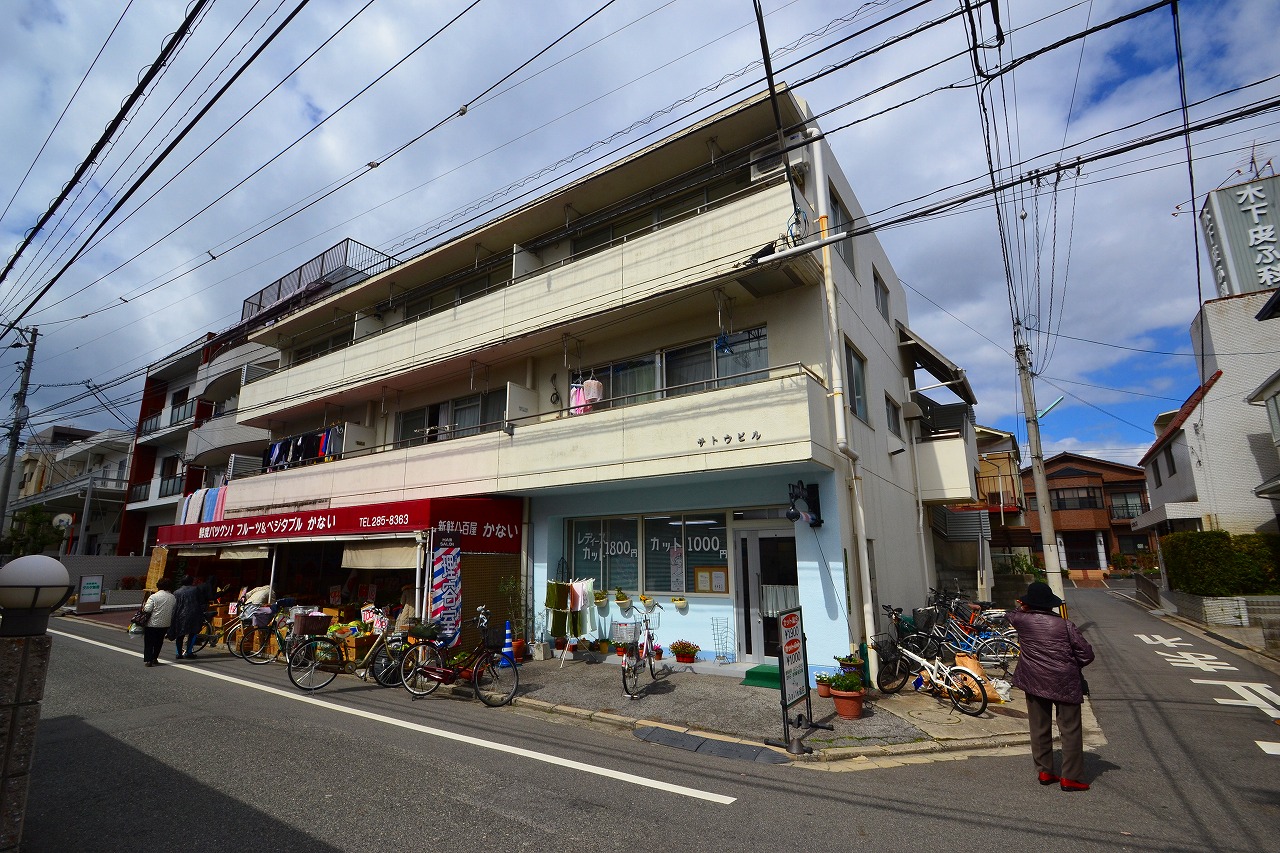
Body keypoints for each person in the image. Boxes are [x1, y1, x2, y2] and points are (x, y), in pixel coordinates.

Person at [1007, 580, 1095, 792]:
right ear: (1050, 604)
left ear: (1028, 604)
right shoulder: (1066, 625)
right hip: (1065, 681)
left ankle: (1045, 771)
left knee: (1039, 727)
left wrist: (1022, 606)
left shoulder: (1021, 620)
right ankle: (1070, 777)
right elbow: (1087, 655)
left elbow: (1009, 613)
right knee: (1070, 729)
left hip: (1034, 680)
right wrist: (1069, 664)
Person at [169, 574, 209, 660]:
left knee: (180, 634)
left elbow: (174, 605)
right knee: (193, 633)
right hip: (194, 614)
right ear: (191, 581)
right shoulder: (196, 589)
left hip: (180, 615)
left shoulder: (177, 592)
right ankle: (189, 652)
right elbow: (202, 601)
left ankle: (178, 653)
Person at [141, 576, 176, 667]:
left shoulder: (154, 596)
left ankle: (149, 660)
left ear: (158, 586)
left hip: (152, 623)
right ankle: (155, 658)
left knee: (149, 642)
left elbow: (147, 609)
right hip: (165, 623)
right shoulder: (172, 597)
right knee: (159, 641)